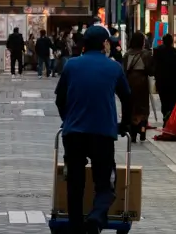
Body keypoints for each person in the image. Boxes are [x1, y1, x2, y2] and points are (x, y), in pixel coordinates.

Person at [55, 25, 131, 234]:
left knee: (75, 183)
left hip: (74, 133)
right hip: (102, 133)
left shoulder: (71, 65)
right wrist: (124, 124)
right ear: (105, 44)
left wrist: (67, 119)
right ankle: (97, 217)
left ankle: (76, 226)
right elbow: (127, 98)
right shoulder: (114, 67)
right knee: (105, 182)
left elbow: (60, 99)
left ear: (84, 44)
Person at [120, 32, 153, 141]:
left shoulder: (127, 54)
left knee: (132, 106)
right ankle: (142, 129)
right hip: (142, 82)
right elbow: (150, 70)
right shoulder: (146, 54)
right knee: (142, 106)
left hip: (129, 82)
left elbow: (123, 70)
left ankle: (132, 132)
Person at [151, 34, 176, 123]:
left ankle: (166, 114)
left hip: (161, 79)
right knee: (172, 99)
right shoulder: (174, 52)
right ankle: (168, 114)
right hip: (172, 80)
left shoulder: (157, 51)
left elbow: (154, 65)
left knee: (163, 99)